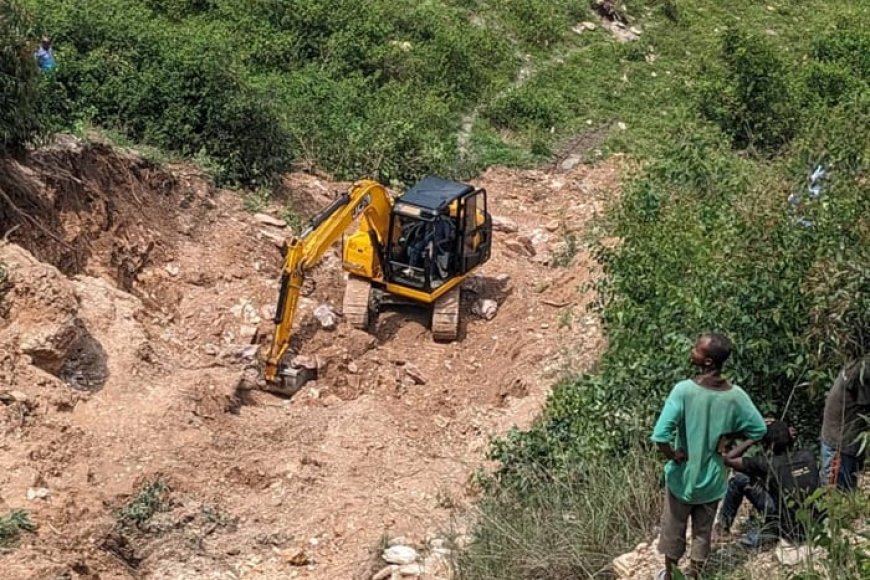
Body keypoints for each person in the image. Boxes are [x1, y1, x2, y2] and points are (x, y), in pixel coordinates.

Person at [651, 333, 767, 580]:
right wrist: (730, 438)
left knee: (674, 530)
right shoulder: (736, 396)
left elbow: (660, 435)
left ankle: (671, 576)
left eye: (697, 349)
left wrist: (673, 454)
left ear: (708, 363)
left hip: (683, 478)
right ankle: (695, 576)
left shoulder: (683, 390)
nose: (692, 350)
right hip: (713, 479)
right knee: (702, 533)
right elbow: (759, 429)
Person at [716, 420, 822, 546]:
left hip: (785, 526)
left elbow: (728, 459)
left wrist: (754, 438)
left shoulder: (767, 463)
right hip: (814, 523)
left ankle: (723, 528)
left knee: (740, 478)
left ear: (769, 445)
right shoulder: (808, 455)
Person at [820, 355, 869, 491]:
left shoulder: (860, 363)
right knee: (837, 496)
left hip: (844, 440)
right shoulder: (863, 370)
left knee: (845, 492)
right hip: (840, 443)